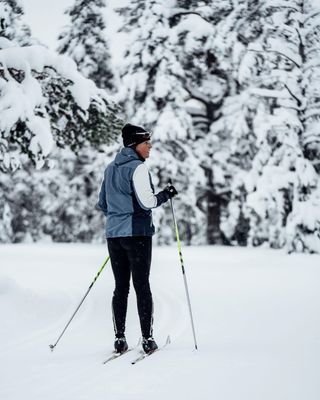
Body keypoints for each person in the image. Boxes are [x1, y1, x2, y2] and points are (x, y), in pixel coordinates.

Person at [97, 123, 178, 354]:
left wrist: (118, 218)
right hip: (138, 235)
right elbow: (148, 202)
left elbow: (103, 204)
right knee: (142, 286)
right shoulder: (138, 168)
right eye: (146, 142)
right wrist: (166, 194)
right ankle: (147, 339)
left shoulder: (110, 168)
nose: (149, 146)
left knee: (120, 288)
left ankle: (119, 339)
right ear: (134, 144)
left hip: (115, 236)